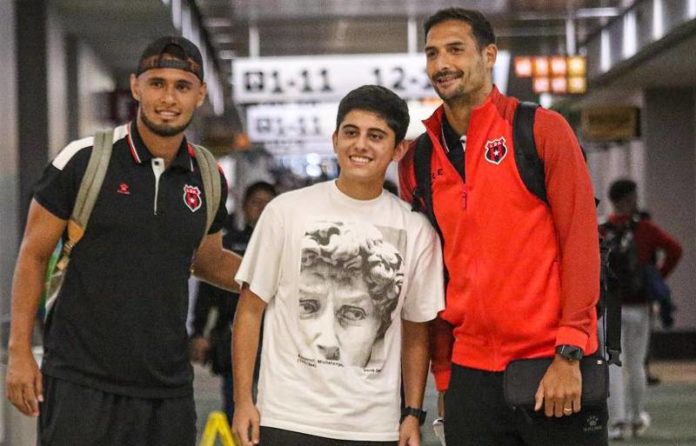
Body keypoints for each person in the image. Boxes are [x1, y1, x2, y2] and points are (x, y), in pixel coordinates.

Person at [5, 36, 242, 446]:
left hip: (167, 388)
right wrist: (20, 352)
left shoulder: (207, 177)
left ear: (200, 94)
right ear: (136, 87)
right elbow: (33, 255)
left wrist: (281, 277)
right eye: (157, 83)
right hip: (82, 382)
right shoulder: (82, 161)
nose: (168, 97)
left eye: (182, 86)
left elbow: (208, 260)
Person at [398, 8, 606, 445]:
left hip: (550, 362)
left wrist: (570, 350)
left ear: (489, 55)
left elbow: (580, 242)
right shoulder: (418, 160)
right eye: (432, 53)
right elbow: (433, 272)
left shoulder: (541, 130)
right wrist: (445, 376)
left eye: (456, 49)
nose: (441, 64)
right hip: (471, 374)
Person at [232, 85, 445, 446]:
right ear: (335, 140)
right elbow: (251, 310)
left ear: (398, 150)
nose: (360, 145)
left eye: (375, 136)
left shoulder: (416, 230)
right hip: (287, 417)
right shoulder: (286, 212)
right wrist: (242, 401)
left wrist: (411, 413)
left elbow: (416, 332)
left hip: (374, 426)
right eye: (351, 132)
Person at [189, 181, 276, 422]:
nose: (261, 209)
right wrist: (198, 332)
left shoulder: (288, 245)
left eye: (268, 205)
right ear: (245, 207)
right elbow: (206, 295)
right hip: (233, 336)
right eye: (256, 203)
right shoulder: (229, 244)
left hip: (275, 342)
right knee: (237, 406)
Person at [603, 178, 682, 440]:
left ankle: (616, 423)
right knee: (636, 365)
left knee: (614, 365)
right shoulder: (645, 229)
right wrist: (657, 278)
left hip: (611, 308)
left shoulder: (602, 229)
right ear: (630, 198)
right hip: (639, 306)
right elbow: (675, 250)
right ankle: (636, 418)